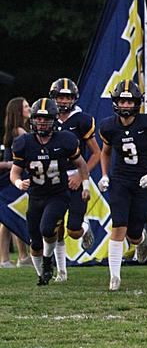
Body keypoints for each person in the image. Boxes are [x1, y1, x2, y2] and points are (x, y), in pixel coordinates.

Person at [9, 99, 88, 285]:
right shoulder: (23, 143)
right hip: (35, 196)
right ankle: (42, 276)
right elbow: (15, 172)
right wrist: (18, 183)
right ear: (33, 120)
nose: (42, 122)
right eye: (38, 118)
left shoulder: (65, 139)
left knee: (47, 229)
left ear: (54, 120)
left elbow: (81, 164)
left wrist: (85, 185)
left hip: (58, 194)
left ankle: (47, 262)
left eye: (46, 119)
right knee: (35, 243)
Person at [98, 81, 147, 290]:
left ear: (136, 103)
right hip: (120, 179)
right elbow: (105, 151)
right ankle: (114, 277)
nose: (126, 105)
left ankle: (141, 239)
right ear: (115, 102)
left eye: (129, 101)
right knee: (119, 224)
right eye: (122, 100)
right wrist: (103, 175)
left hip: (142, 181)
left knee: (134, 232)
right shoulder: (108, 126)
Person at [49, 78, 99, 278]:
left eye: (67, 97)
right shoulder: (46, 118)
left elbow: (96, 153)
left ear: (74, 99)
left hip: (76, 177)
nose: (63, 101)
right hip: (53, 178)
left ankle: (84, 228)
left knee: (73, 231)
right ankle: (61, 271)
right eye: (60, 96)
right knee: (55, 226)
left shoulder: (82, 120)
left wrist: (80, 174)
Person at [1, 97, 31, 267]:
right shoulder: (19, 131)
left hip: (12, 177)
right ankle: (5, 259)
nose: (29, 108)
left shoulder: (16, 130)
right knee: (8, 218)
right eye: (26, 106)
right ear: (19, 111)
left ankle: (22, 256)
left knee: (13, 215)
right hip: (13, 178)